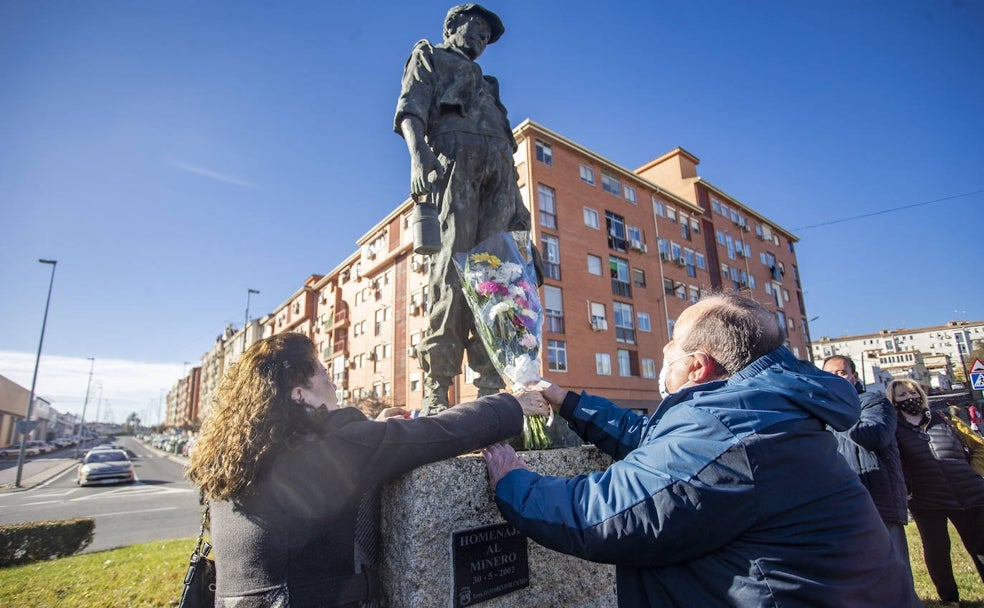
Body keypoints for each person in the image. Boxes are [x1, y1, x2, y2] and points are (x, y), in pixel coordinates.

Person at [483, 293, 921, 607]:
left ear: (697, 364)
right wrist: (569, 402)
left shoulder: (726, 429)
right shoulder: (763, 406)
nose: (664, 354)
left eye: (671, 344)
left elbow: (605, 514)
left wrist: (512, 478)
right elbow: (659, 446)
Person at [186, 332, 539, 607]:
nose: (333, 379)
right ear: (299, 394)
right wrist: (513, 404)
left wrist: (370, 428)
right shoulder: (334, 446)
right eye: (322, 371)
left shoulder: (239, 453)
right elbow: (439, 433)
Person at [394, 4, 533, 414]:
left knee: (497, 279)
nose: (479, 40)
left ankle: (491, 383)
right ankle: (437, 386)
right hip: (454, 163)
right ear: (452, 26)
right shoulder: (430, 55)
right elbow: (411, 108)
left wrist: (521, 219)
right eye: (474, 30)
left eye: (486, 38)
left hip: (499, 175)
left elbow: (508, 154)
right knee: (452, 273)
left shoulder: (490, 84)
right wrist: (419, 156)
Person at [821, 355, 914, 587]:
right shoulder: (823, 410)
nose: (835, 378)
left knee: (894, 566)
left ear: (854, 376)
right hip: (844, 500)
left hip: (879, 497)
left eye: (841, 372)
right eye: (829, 374)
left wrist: (834, 411)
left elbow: (874, 436)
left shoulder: (874, 402)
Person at [890, 378, 984, 606]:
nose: (909, 399)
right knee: (937, 548)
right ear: (893, 401)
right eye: (902, 395)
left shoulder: (945, 418)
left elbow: (978, 445)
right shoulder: (893, 428)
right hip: (927, 498)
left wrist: (976, 473)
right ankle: (949, 597)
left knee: (981, 545)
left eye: (912, 393)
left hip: (968, 491)